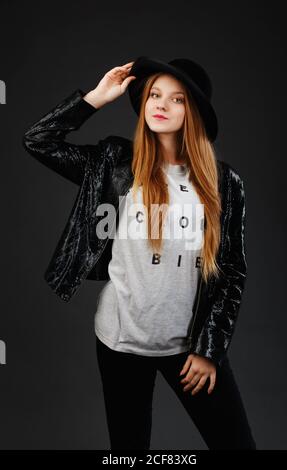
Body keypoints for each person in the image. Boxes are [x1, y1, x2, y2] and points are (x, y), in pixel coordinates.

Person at [22, 56, 256, 450]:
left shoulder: (224, 184)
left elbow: (232, 270)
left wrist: (209, 350)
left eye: (176, 99)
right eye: (154, 94)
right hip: (120, 343)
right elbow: (38, 141)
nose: (161, 105)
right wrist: (94, 98)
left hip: (189, 349)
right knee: (130, 452)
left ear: (193, 112)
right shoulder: (113, 162)